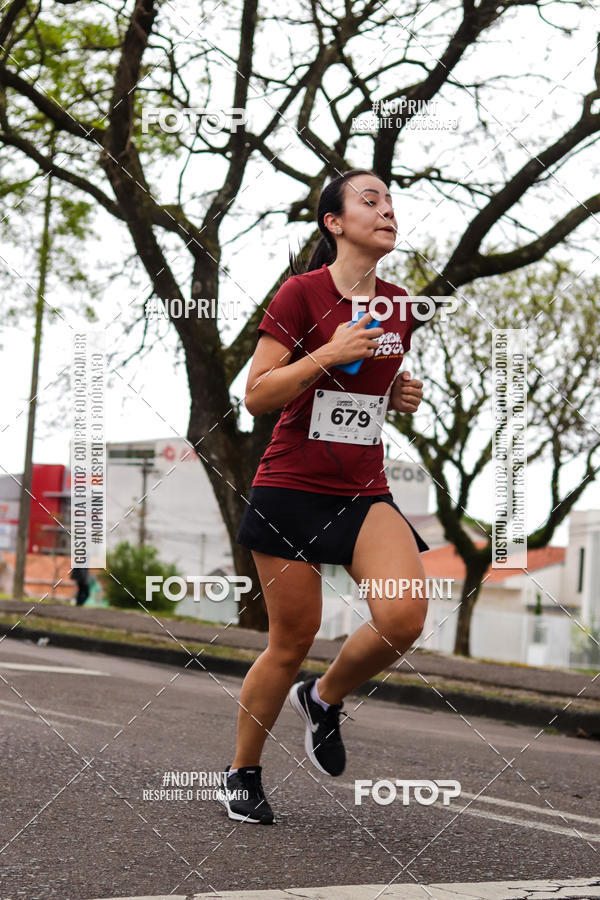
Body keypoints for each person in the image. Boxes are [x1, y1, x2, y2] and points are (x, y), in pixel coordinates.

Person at [217, 169, 430, 825]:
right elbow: (257, 395)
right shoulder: (301, 293)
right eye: (371, 200)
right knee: (292, 639)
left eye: (391, 201)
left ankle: (325, 696)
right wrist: (327, 354)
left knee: (404, 616)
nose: (387, 210)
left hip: (364, 488)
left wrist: (395, 394)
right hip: (291, 486)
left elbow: (362, 389)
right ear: (334, 223)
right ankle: (242, 773)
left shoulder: (400, 306)